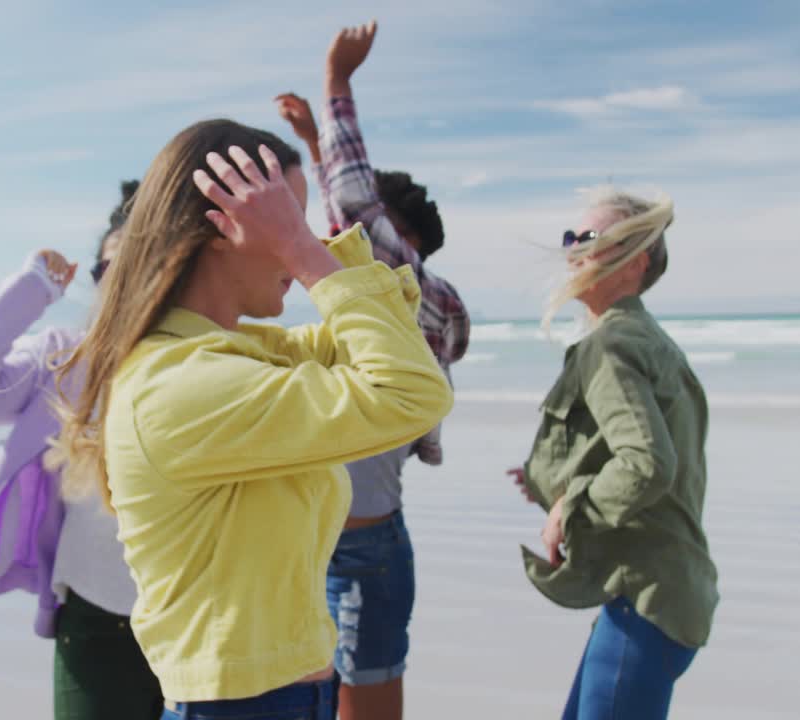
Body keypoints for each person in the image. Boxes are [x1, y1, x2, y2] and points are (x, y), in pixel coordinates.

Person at [50, 119, 453, 720]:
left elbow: (392, 338)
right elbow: (410, 392)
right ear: (220, 225)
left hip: (290, 698)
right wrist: (308, 254)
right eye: (285, 214)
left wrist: (313, 248)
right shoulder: (176, 384)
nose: (299, 235)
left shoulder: (238, 355)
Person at [275, 20, 469, 720]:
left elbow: (354, 203)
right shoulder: (417, 303)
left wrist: (337, 84)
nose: (346, 237)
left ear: (398, 235)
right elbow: (347, 212)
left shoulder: (421, 294)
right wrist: (311, 147)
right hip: (326, 536)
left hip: (360, 546)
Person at [0, 181, 163, 720]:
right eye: (109, 269)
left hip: (192, 619)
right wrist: (31, 289)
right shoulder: (62, 358)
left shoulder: (200, 361)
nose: (124, 281)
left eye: (143, 264)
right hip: (95, 614)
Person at [508, 189, 718, 719]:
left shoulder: (613, 345)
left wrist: (569, 509)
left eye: (591, 237)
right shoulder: (645, 339)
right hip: (657, 592)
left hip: (646, 597)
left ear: (636, 262)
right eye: (570, 237)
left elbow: (648, 465)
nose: (574, 247)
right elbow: (645, 452)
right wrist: (548, 478)